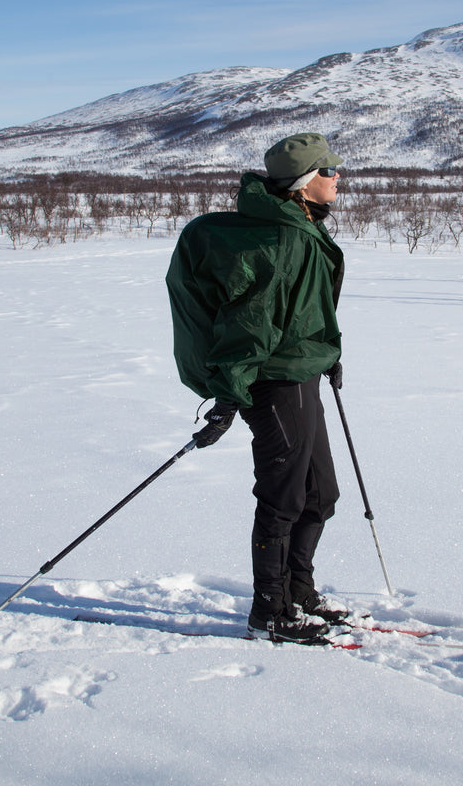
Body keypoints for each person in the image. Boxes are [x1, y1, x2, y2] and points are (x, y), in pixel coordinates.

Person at [166, 132, 351, 644]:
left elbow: (306, 306)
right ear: (305, 182)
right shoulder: (284, 238)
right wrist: (228, 398)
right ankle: (270, 610)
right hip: (272, 381)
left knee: (320, 493)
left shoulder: (301, 226)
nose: (339, 178)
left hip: (301, 372)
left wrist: (327, 355)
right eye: (331, 170)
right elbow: (252, 325)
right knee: (284, 495)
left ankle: (300, 592)